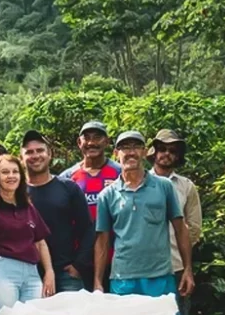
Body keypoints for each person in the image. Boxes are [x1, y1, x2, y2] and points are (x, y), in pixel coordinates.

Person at [93, 130, 195, 304]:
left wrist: (187, 269)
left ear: (144, 151)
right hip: (122, 279)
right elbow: (102, 240)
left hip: (160, 276)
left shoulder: (164, 186)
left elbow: (180, 228)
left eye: (136, 147)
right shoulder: (107, 195)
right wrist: (97, 280)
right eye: (125, 147)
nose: (131, 152)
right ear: (116, 154)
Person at [0, 155, 56, 311]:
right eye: (5, 172)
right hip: (1, 271)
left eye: (15, 172)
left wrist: (49, 272)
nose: (11, 176)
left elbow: (41, 243)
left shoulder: (28, 207)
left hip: (31, 273)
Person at [22, 130, 94, 293]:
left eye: (40, 150)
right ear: (22, 157)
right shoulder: (16, 192)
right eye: (29, 152)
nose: (35, 156)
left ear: (49, 154)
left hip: (66, 272)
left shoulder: (68, 188)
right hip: (27, 274)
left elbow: (88, 229)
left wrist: (78, 265)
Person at [148, 129, 202, 315]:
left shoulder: (186, 186)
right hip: (144, 266)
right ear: (153, 152)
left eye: (172, 150)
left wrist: (182, 255)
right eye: (161, 148)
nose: (166, 154)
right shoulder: (139, 182)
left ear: (178, 155)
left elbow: (194, 227)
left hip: (176, 267)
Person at [61, 121, 122, 285]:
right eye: (86, 138)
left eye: (97, 137)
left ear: (107, 142)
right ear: (79, 143)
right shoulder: (67, 178)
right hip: (79, 261)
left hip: (117, 260)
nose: (92, 142)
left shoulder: (120, 173)